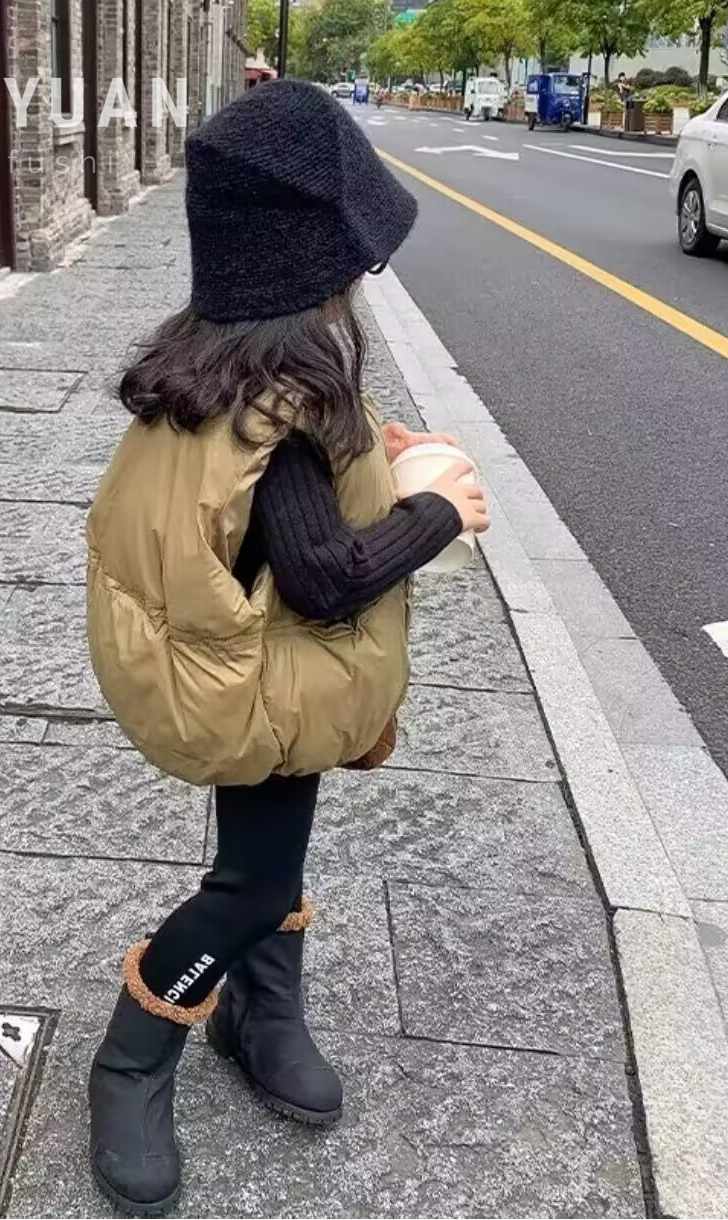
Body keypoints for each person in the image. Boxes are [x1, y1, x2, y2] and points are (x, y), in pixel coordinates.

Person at [83, 79, 490, 1217]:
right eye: (352, 267)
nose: (357, 286)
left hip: (252, 672)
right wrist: (436, 510)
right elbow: (321, 577)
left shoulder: (209, 360)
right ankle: (131, 1058)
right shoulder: (286, 400)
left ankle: (262, 1015)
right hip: (256, 676)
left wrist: (375, 470)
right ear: (316, 266)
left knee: (273, 847)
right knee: (251, 882)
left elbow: (275, 528)